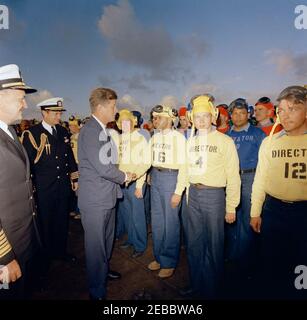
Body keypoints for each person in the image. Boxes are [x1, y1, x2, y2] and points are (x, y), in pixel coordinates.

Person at [78, 88, 135, 300]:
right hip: (95, 201)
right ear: (101, 107)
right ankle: (96, 291)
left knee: (106, 242)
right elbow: (104, 168)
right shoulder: (92, 131)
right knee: (96, 248)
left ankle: (103, 272)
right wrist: (126, 176)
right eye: (113, 106)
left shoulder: (101, 129)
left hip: (106, 196)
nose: (116, 110)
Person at [250, 86, 307, 299]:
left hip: (303, 213)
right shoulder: (270, 142)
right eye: (281, 109)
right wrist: (255, 212)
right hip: (274, 211)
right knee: (273, 266)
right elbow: (260, 179)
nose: (285, 114)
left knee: (301, 271)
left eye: (293, 108)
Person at [184, 95, 241, 299]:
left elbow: (233, 176)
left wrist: (231, 206)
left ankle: (212, 289)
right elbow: (185, 169)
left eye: (205, 116)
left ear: (213, 117)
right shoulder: (190, 142)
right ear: (192, 118)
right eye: (197, 116)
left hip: (214, 196)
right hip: (194, 195)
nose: (201, 120)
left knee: (214, 244)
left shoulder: (225, 141)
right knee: (194, 243)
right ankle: (196, 284)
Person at [22, 97, 79, 269]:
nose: (59, 116)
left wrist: (74, 178)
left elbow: (69, 156)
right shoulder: (32, 133)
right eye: (55, 113)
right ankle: (45, 257)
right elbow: (27, 165)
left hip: (62, 186)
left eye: (60, 113)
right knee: (45, 223)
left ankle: (60, 251)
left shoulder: (62, 132)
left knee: (62, 220)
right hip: (43, 188)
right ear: (44, 113)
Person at [0, 64, 38, 299]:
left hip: (23, 240)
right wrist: (4, 258)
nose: (25, 104)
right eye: (20, 99)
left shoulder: (9, 132)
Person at [225, 98, 266, 288]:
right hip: (230, 180)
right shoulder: (227, 135)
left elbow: (266, 163)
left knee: (249, 221)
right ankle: (233, 257)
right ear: (230, 115)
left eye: (242, 112)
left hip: (250, 179)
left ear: (248, 114)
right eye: (235, 113)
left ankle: (247, 263)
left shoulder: (258, 134)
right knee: (231, 219)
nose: (238, 116)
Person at [146, 105, 186, 279]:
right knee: (157, 221)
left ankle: (169, 261)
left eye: (159, 117)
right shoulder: (154, 137)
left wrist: (178, 191)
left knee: (170, 222)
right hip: (156, 176)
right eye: (154, 118)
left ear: (170, 119)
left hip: (171, 177)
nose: (155, 121)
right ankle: (159, 256)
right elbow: (147, 159)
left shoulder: (179, 138)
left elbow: (184, 166)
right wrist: (147, 175)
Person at [114, 109, 149, 258]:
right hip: (122, 183)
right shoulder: (119, 139)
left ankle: (140, 245)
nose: (124, 125)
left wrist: (140, 185)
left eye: (127, 122)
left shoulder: (140, 139)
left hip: (135, 184)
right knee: (127, 215)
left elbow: (145, 162)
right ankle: (131, 239)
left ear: (133, 122)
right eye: (122, 122)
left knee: (138, 216)